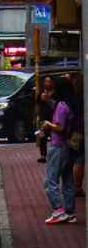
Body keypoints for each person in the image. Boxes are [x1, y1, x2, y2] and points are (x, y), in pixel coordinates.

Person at [41, 80, 77, 224]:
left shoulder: (61, 106)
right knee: (67, 179)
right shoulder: (67, 104)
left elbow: (60, 127)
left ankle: (58, 210)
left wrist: (48, 124)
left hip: (58, 146)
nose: (51, 92)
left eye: (52, 89)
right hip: (66, 146)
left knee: (50, 180)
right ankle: (70, 212)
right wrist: (47, 99)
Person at [68, 73, 85, 197]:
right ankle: (77, 187)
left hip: (74, 130)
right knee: (79, 159)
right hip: (80, 130)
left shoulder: (71, 98)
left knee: (76, 158)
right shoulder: (81, 97)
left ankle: (75, 186)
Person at [37, 76, 57, 163]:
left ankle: (54, 155)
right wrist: (37, 116)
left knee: (54, 137)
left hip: (53, 118)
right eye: (45, 81)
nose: (47, 84)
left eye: (49, 81)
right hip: (43, 117)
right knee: (42, 137)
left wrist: (48, 99)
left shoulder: (55, 93)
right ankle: (43, 155)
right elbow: (38, 105)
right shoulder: (41, 92)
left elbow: (56, 106)